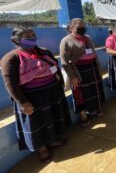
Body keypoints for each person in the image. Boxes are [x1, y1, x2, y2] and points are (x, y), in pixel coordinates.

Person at [1, 28, 71, 162]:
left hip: (51, 92)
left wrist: (60, 84)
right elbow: (10, 84)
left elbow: (55, 68)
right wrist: (23, 102)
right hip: (31, 97)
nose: (32, 38)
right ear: (16, 40)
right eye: (28, 36)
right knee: (36, 123)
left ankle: (52, 140)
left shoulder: (43, 52)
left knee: (51, 118)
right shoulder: (11, 58)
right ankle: (42, 149)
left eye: (33, 35)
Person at [60, 18, 105, 127]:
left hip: (92, 68)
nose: (82, 27)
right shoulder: (66, 41)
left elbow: (94, 54)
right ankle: (83, 116)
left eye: (83, 25)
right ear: (71, 28)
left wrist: (98, 69)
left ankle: (94, 110)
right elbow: (64, 61)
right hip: (78, 71)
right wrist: (73, 77)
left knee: (94, 90)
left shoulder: (88, 38)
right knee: (80, 94)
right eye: (79, 26)